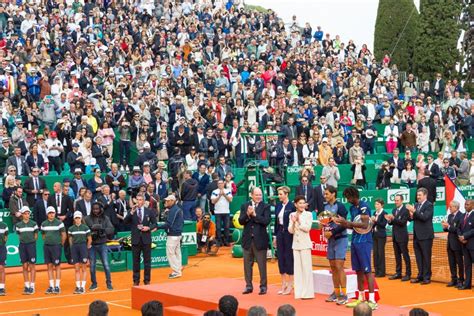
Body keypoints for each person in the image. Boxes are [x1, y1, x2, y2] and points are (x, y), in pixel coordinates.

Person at [334, 187, 377, 310]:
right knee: (358, 270)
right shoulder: (352, 208)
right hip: (355, 241)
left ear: (354, 196)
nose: (347, 200)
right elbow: (353, 226)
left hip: (364, 241)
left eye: (348, 197)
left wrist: (348, 222)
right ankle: (361, 298)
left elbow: (364, 225)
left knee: (367, 271)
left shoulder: (364, 206)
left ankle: (372, 300)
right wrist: (342, 223)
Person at [239, 187, 271, 295]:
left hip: (260, 240)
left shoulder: (265, 206)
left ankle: (263, 286)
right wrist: (248, 215)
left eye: (260, 195)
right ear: (251, 195)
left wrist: (255, 215)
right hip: (247, 240)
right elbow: (240, 221)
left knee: (262, 265)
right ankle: (248, 286)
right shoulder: (244, 206)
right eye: (257, 195)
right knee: (247, 265)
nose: (259, 197)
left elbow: (266, 221)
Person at [323, 185, 348, 305]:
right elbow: (325, 222)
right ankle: (336, 292)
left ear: (333, 194)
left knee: (339, 266)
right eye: (325, 193)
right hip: (331, 240)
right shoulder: (325, 206)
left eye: (327, 193)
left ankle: (344, 294)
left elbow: (344, 224)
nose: (325, 195)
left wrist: (332, 232)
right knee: (333, 267)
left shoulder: (341, 207)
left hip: (340, 238)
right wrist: (322, 226)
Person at [124, 194, 157, 286]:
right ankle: (136, 280)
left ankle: (147, 280)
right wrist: (131, 213)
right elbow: (125, 222)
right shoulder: (132, 211)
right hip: (135, 240)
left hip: (146, 239)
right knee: (136, 262)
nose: (139, 201)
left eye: (141, 200)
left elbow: (155, 224)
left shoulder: (149, 211)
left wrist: (148, 228)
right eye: (137, 200)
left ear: (144, 201)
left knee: (147, 262)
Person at [288, 195, 314, 300]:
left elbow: (307, 228)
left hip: (305, 244)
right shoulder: (292, 214)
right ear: (295, 204)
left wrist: (299, 221)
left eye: (303, 203)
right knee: (297, 269)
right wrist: (294, 222)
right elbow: (290, 230)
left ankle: (308, 293)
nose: (302, 205)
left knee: (306, 269)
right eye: (300, 203)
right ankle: (298, 292)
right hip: (296, 245)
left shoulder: (308, 214)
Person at [84, 202, 114, 291]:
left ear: (101, 209)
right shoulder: (87, 218)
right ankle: (94, 283)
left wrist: (102, 230)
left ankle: (109, 283)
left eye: (97, 209)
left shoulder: (105, 218)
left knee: (106, 264)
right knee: (92, 265)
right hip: (92, 245)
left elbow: (111, 229)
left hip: (102, 244)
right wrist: (91, 230)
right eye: (94, 209)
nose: (95, 211)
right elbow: (84, 230)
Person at [407, 188, 434, 285]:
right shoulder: (417, 205)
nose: (418, 197)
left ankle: (427, 277)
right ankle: (420, 275)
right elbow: (413, 218)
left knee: (426, 257)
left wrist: (413, 211)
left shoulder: (429, 205)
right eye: (417, 195)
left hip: (426, 236)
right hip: (417, 236)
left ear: (425, 195)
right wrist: (410, 215)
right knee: (418, 257)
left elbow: (424, 217)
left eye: (420, 195)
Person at [273, 186, 295, 295]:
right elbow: (276, 222)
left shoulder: (292, 206)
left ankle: (291, 284)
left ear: (286, 194)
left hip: (289, 234)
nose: (279, 196)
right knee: (280, 257)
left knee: (289, 257)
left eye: (281, 194)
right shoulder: (278, 205)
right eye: (279, 194)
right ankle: (283, 283)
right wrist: (275, 236)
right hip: (280, 233)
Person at [385, 195, 411, 281]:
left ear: (402, 201)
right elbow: (392, 223)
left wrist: (393, 218)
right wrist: (389, 220)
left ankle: (408, 274)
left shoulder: (406, 210)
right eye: (395, 200)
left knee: (405, 255)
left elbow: (403, 222)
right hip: (395, 236)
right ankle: (398, 273)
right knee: (397, 255)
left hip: (402, 236)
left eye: (397, 200)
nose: (396, 202)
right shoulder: (394, 210)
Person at [41, 206, 66, 294]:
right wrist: (48, 241)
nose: (51, 214)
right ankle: (51, 286)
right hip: (47, 246)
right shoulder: (43, 224)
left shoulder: (59, 223)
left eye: (53, 213)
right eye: (50, 213)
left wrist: (60, 244)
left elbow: (63, 235)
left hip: (56, 246)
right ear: (47, 214)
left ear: (55, 213)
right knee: (49, 266)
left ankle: (57, 286)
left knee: (57, 265)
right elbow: (43, 235)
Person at [158, 195, 184, 279]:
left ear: (172, 201)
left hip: (173, 235)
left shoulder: (173, 210)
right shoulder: (176, 209)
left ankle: (176, 271)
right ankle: (178, 268)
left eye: (168, 201)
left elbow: (169, 224)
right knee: (177, 252)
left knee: (170, 253)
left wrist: (157, 226)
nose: (166, 202)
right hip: (177, 234)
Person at [15, 206, 38, 295]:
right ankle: (26, 285)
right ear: (22, 215)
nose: (27, 215)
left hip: (31, 245)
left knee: (32, 266)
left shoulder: (34, 224)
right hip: (22, 246)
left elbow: (36, 235)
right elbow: (19, 235)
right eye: (25, 213)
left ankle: (32, 286)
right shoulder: (18, 225)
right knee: (24, 266)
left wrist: (31, 242)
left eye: (28, 213)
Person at [442, 200, 464, 288]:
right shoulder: (450, 216)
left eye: (450, 207)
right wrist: (445, 227)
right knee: (451, 262)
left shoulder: (461, 216)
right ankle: (454, 279)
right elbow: (449, 229)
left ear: (456, 207)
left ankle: (461, 280)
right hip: (450, 243)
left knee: (459, 262)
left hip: (457, 244)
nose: (449, 208)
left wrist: (449, 226)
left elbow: (458, 230)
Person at [69, 211, 91, 294]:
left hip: (83, 247)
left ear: (81, 218)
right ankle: (78, 286)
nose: (77, 219)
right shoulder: (71, 229)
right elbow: (70, 239)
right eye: (76, 218)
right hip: (75, 248)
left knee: (84, 268)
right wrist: (72, 248)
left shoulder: (85, 228)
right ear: (74, 219)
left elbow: (89, 239)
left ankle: (83, 287)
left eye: (79, 218)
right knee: (77, 268)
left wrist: (86, 247)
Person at [211, 179, 233, 247]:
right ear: (217, 185)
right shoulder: (214, 191)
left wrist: (224, 195)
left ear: (224, 184)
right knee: (218, 227)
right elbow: (213, 201)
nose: (220, 184)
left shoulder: (228, 191)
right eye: (219, 183)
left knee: (226, 227)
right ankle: (219, 242)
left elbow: (230, 200)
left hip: (226, 211)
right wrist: (219, 195)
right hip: (218, 212)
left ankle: (226, 241)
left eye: (221, 183)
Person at [458, 199, 474, 290]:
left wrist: (464, 236)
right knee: (467, 265)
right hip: (464, 244)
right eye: (465, 204)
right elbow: (459, 228)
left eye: (467, 204)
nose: (465, 206)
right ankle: (467, 284)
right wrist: (461, 237)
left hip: (472, 244)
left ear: (472, 205)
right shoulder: (463, 215)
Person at [371, 199, 387, 277]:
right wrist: (372, 222)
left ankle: (382, 272)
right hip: (374, 235)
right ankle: (376, 271)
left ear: (382, 205)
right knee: (375, 254)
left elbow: (383, 224)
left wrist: (376, 221)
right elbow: (374, 225)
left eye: (377, 204)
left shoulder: (384, 213)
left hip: (381, 236)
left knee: (381, 253)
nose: (376, 206)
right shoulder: (374, 213)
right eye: (375, 204)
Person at [0, 219, 7, 296]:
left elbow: (6, 236)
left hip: (1, 248)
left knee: (1, 267)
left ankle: (1, 288)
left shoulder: (4, 225)